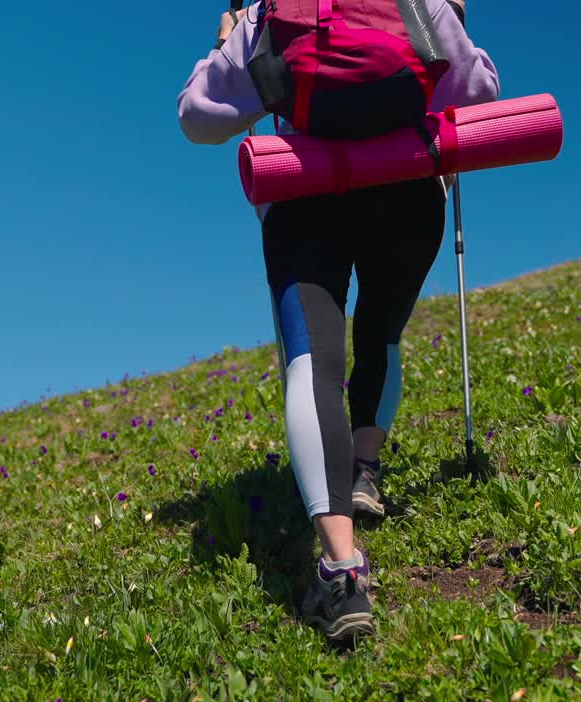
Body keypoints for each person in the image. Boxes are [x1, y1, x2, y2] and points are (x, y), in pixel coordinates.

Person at [177, 0, 499, 642]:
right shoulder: (416, 3)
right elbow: (480, 90)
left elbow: (197, 119)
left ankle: (340, 572)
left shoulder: (266, 14)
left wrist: (224, 46)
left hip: (304, 193)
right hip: (408, 194)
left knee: (314, 362)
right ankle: (365, 471)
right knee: (380, 330)